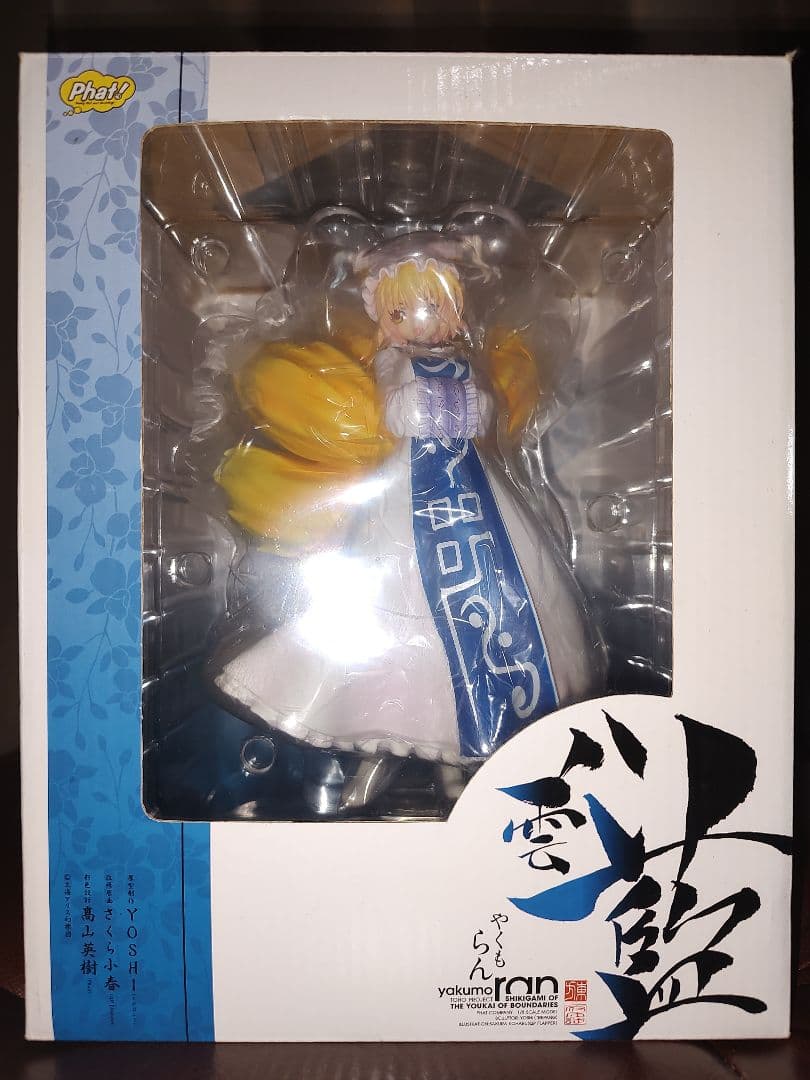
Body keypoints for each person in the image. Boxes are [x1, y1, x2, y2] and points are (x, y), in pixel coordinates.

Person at [213, 236, 601, 769]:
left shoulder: (465, 364)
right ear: (385, 320)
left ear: (454, 310)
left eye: (432, 307)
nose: (418, 322)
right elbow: (396, 413)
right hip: (411, 488)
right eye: (400, 312)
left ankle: (471, 747)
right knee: (398, 595)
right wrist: (429, 410)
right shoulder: (393, 363)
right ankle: (380, 740)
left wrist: (473, 407)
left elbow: (485, 413)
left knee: (503, 579)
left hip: (471, 488)